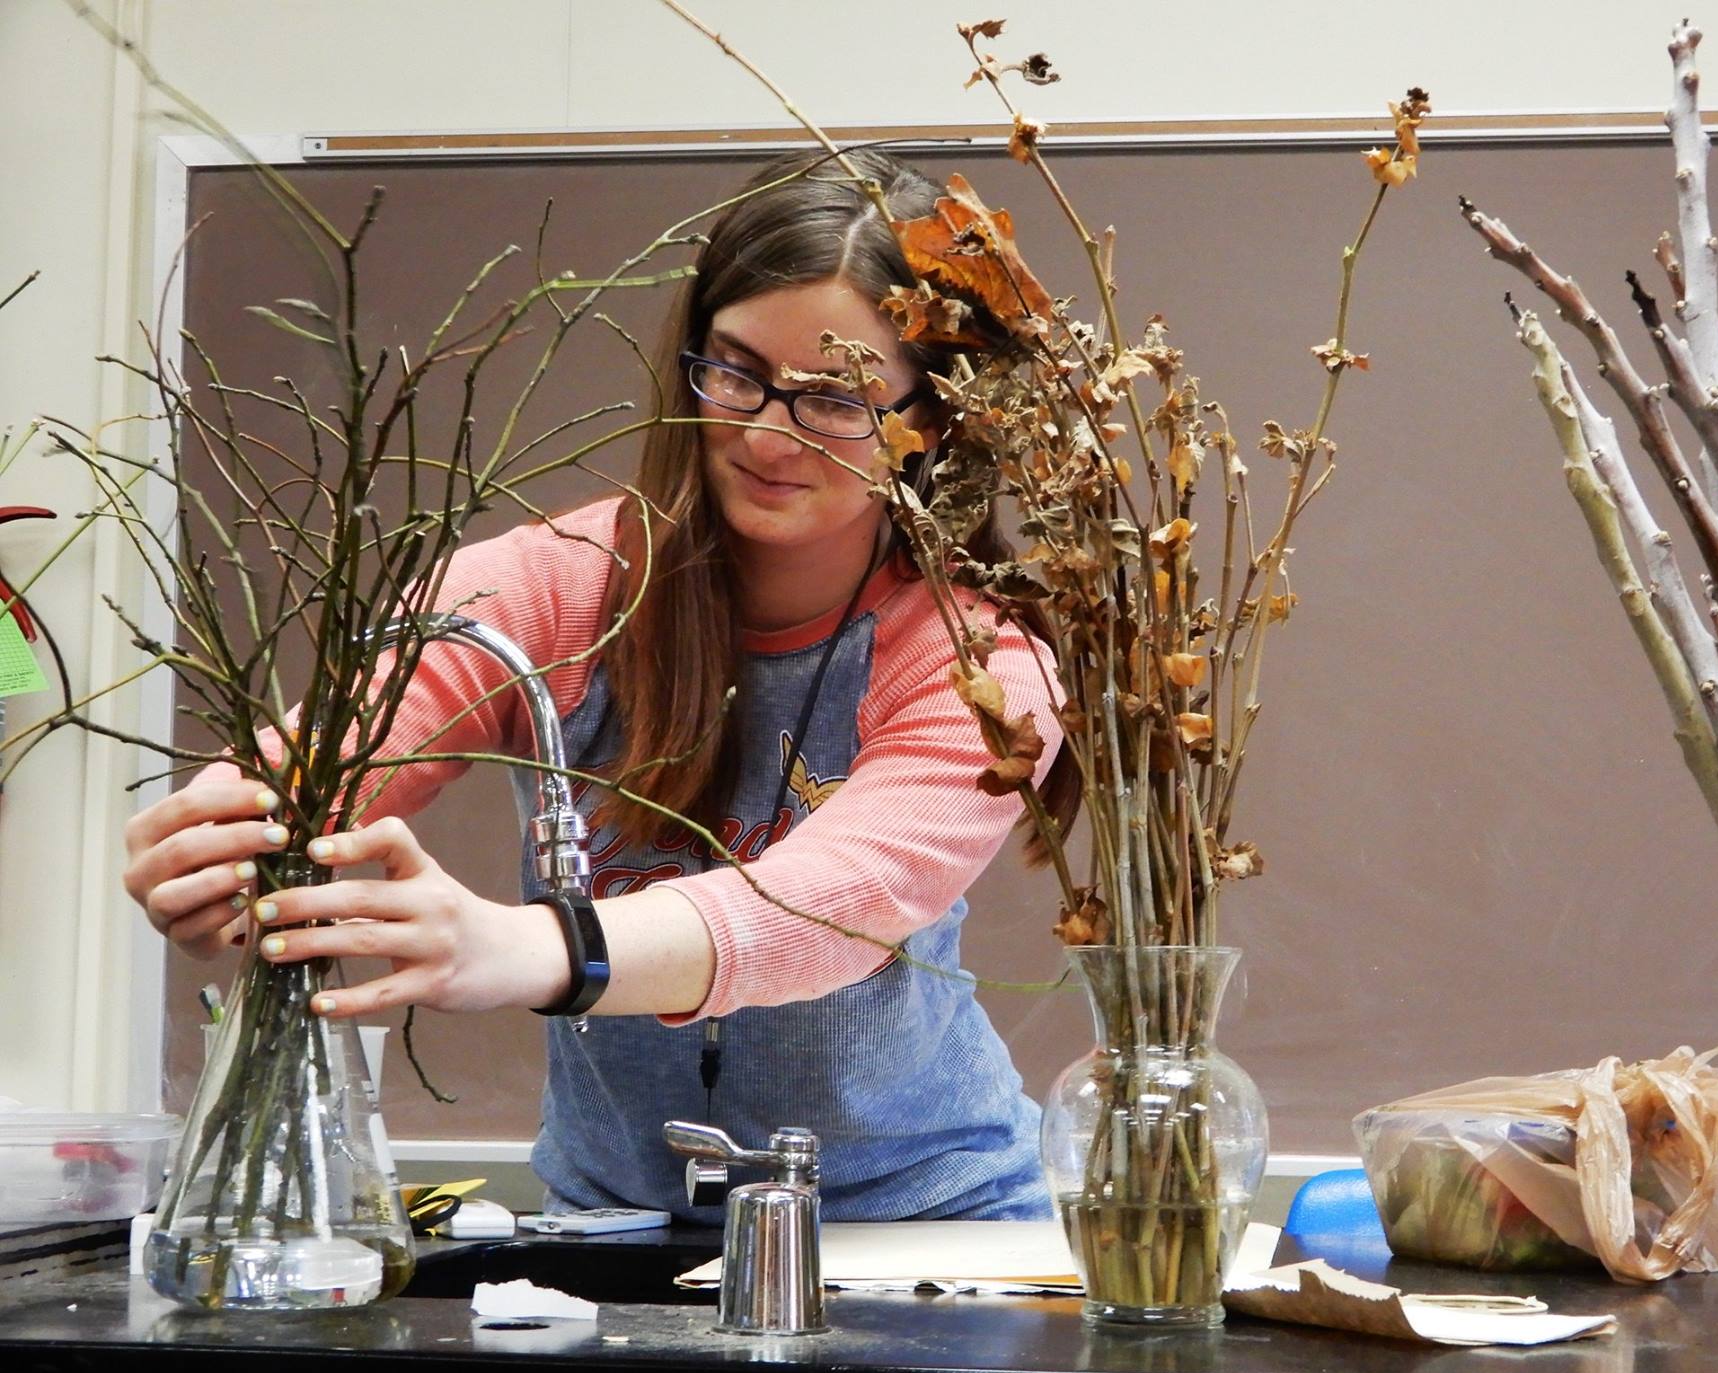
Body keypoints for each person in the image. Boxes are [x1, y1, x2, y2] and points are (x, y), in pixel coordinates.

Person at [120, 149, 1078, 1223]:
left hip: (921, 1230)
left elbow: (828, 915)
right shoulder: (547, 589)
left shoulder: (980, 665)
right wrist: (228, 861)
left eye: (834, 399)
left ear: (932, 420)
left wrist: (527, 947)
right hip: (611, 1220)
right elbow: (318, 775)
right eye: (734, 371)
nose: (765, 431)